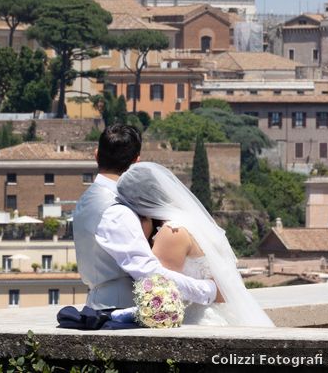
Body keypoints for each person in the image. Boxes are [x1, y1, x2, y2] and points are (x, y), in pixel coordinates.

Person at [73, 124, 219, 310]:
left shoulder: (85, 201)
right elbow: (148, 272)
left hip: (96, 304)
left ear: (96, 154)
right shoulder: (116, 210)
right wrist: (208, 290)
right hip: (120, 311)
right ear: (136, 162)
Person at [117, 162, 274, 326]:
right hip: (225, 315)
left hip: (201, 321)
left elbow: (160, 294)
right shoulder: (193, 223)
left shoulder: (172, 232)